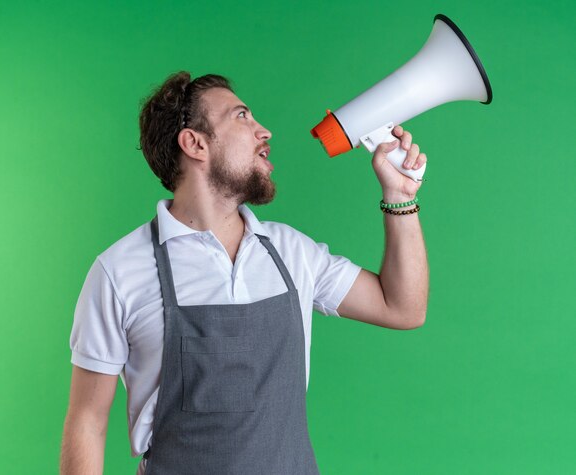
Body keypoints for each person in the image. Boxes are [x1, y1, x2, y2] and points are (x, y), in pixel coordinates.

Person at [60, 71, 428, 475]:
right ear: (195, 143)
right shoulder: (119, 272)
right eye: (242, 117)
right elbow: (87, 422)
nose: (263, 131)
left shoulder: (292, 252)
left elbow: (403, 308)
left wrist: (400, 197)